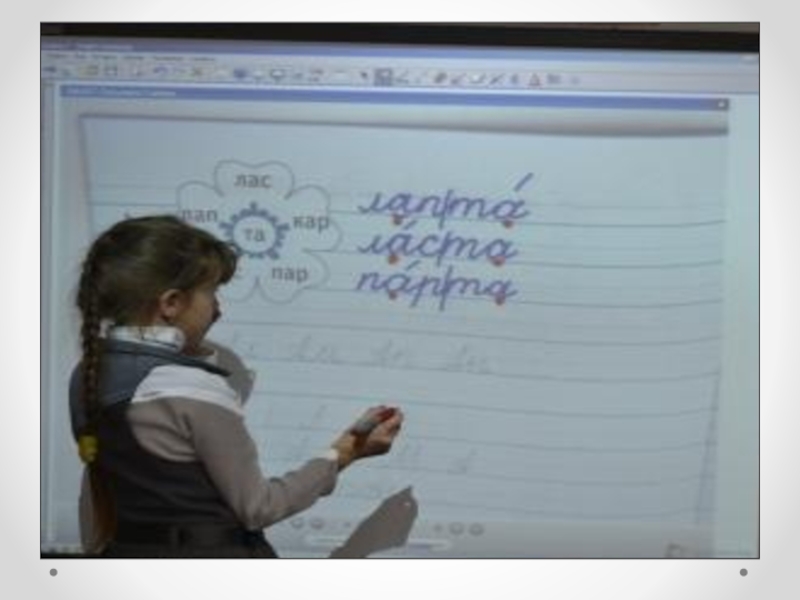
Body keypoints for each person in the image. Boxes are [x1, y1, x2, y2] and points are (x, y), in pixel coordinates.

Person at [69, 215, 403, 558]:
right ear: (171, 303)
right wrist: (346, 451)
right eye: (211, 292)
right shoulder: (190, 386)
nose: (218, 309)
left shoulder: (87, 375)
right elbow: (259, 507)